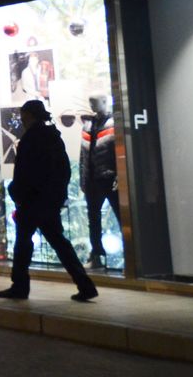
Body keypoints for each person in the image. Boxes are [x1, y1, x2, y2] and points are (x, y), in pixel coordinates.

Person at [0, 100, 98, 302]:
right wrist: (57, 196)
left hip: (32, 201)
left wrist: (17, 192)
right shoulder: (52, 138)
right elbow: (63, 171)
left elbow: (26, 172)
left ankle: (20, 286)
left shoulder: (32, 139)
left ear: (30, 115)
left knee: (24, 244)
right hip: (47, 201)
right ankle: (84, 285)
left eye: (24, 115)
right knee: (59, 243)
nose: (22, 120)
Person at [80, 95, 119, 269]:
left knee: (121, 216)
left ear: (104, 102)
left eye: (94, 101)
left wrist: (120, 176)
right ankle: (96, 254)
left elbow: (119, 152)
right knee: (93, 219)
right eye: (90, 101)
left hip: (110, 178)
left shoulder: (114, 124)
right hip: (92, 180)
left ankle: (132, 255)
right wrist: (83, 179)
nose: (91, 104)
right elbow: (83, 155)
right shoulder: (88, 125)